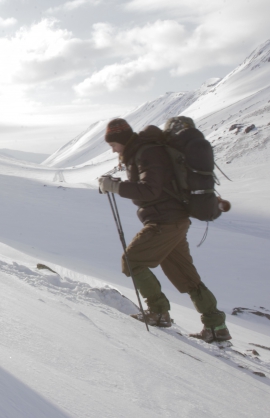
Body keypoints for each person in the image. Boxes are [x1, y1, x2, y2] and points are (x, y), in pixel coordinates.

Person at [98, 118, 231, 342]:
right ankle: (216, 326)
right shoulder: (143, 152)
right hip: (174, 222)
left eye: (113, 145)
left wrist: (115, 186)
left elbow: (149, 190)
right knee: (187, 277)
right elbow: (157, 186)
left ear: (121, 140)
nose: (113, 150)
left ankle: (159, 313)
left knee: (132, 260)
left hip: (164, 223)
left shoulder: (147, 152)